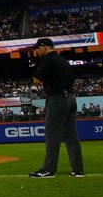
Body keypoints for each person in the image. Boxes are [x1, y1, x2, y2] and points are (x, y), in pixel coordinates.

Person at [29, 38, 84, 178]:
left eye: (38, 49)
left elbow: (36, 80)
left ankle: (48, 169)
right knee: (72, 136)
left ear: (44, 47)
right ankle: (78, 170)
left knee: (52, 135)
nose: (37, 51)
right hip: (71, 99)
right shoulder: (63, 60)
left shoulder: (47, 60)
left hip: (57, 99)